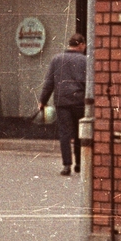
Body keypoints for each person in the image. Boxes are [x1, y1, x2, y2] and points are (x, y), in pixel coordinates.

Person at [39, 33, 88, 176]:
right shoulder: (85, 61)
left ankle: (67, 165)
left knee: (65, 133)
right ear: (81, 45)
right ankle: (80, 163)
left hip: (62, 102)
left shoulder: (57, 59)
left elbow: (49, 83)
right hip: (80, 101)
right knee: (81, 133)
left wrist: (43, 101)